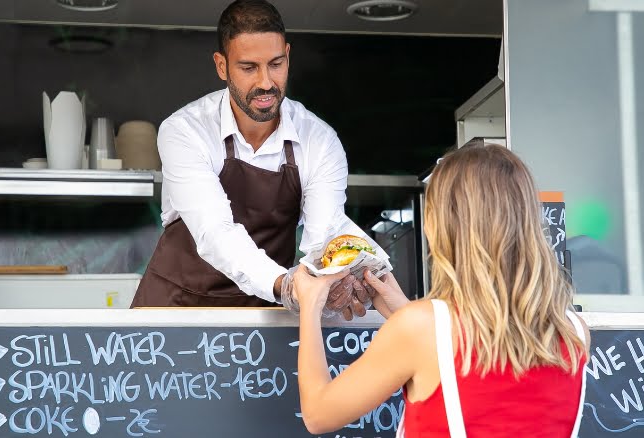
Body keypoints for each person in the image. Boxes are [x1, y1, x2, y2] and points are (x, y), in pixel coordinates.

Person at [294, 144, 591, 436]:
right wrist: (407, 311)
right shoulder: (574, 331)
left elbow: (318, 415)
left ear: (444, 227)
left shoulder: (418, 329)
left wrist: (309, 306)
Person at [130, 0, 380, 318]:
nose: (265, 83)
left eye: (276, 64)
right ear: (222, 66)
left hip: (262, 319)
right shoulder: (185, 130)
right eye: (249, 68)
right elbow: (215, 230)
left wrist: (335, 280)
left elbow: (323, 235)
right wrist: (284, 285)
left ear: (288, 56)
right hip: (175, 311)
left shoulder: (319, 139)